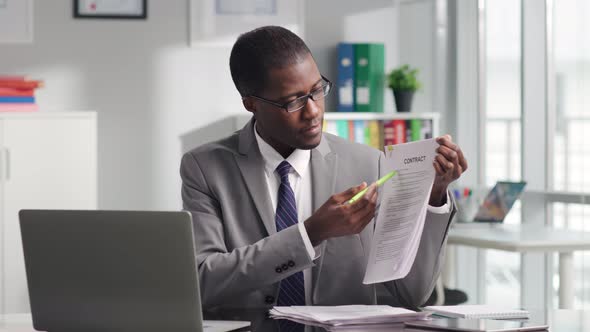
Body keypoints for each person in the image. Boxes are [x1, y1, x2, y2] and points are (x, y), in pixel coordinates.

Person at [180, 26, 468, 310]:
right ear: (251, 103)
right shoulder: (206, 168)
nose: (314, 111)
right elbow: (203, 281)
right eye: (293, 101)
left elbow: (412, 293)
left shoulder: (369, 164)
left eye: (317, 91)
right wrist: (311, 233)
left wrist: (435, 194)